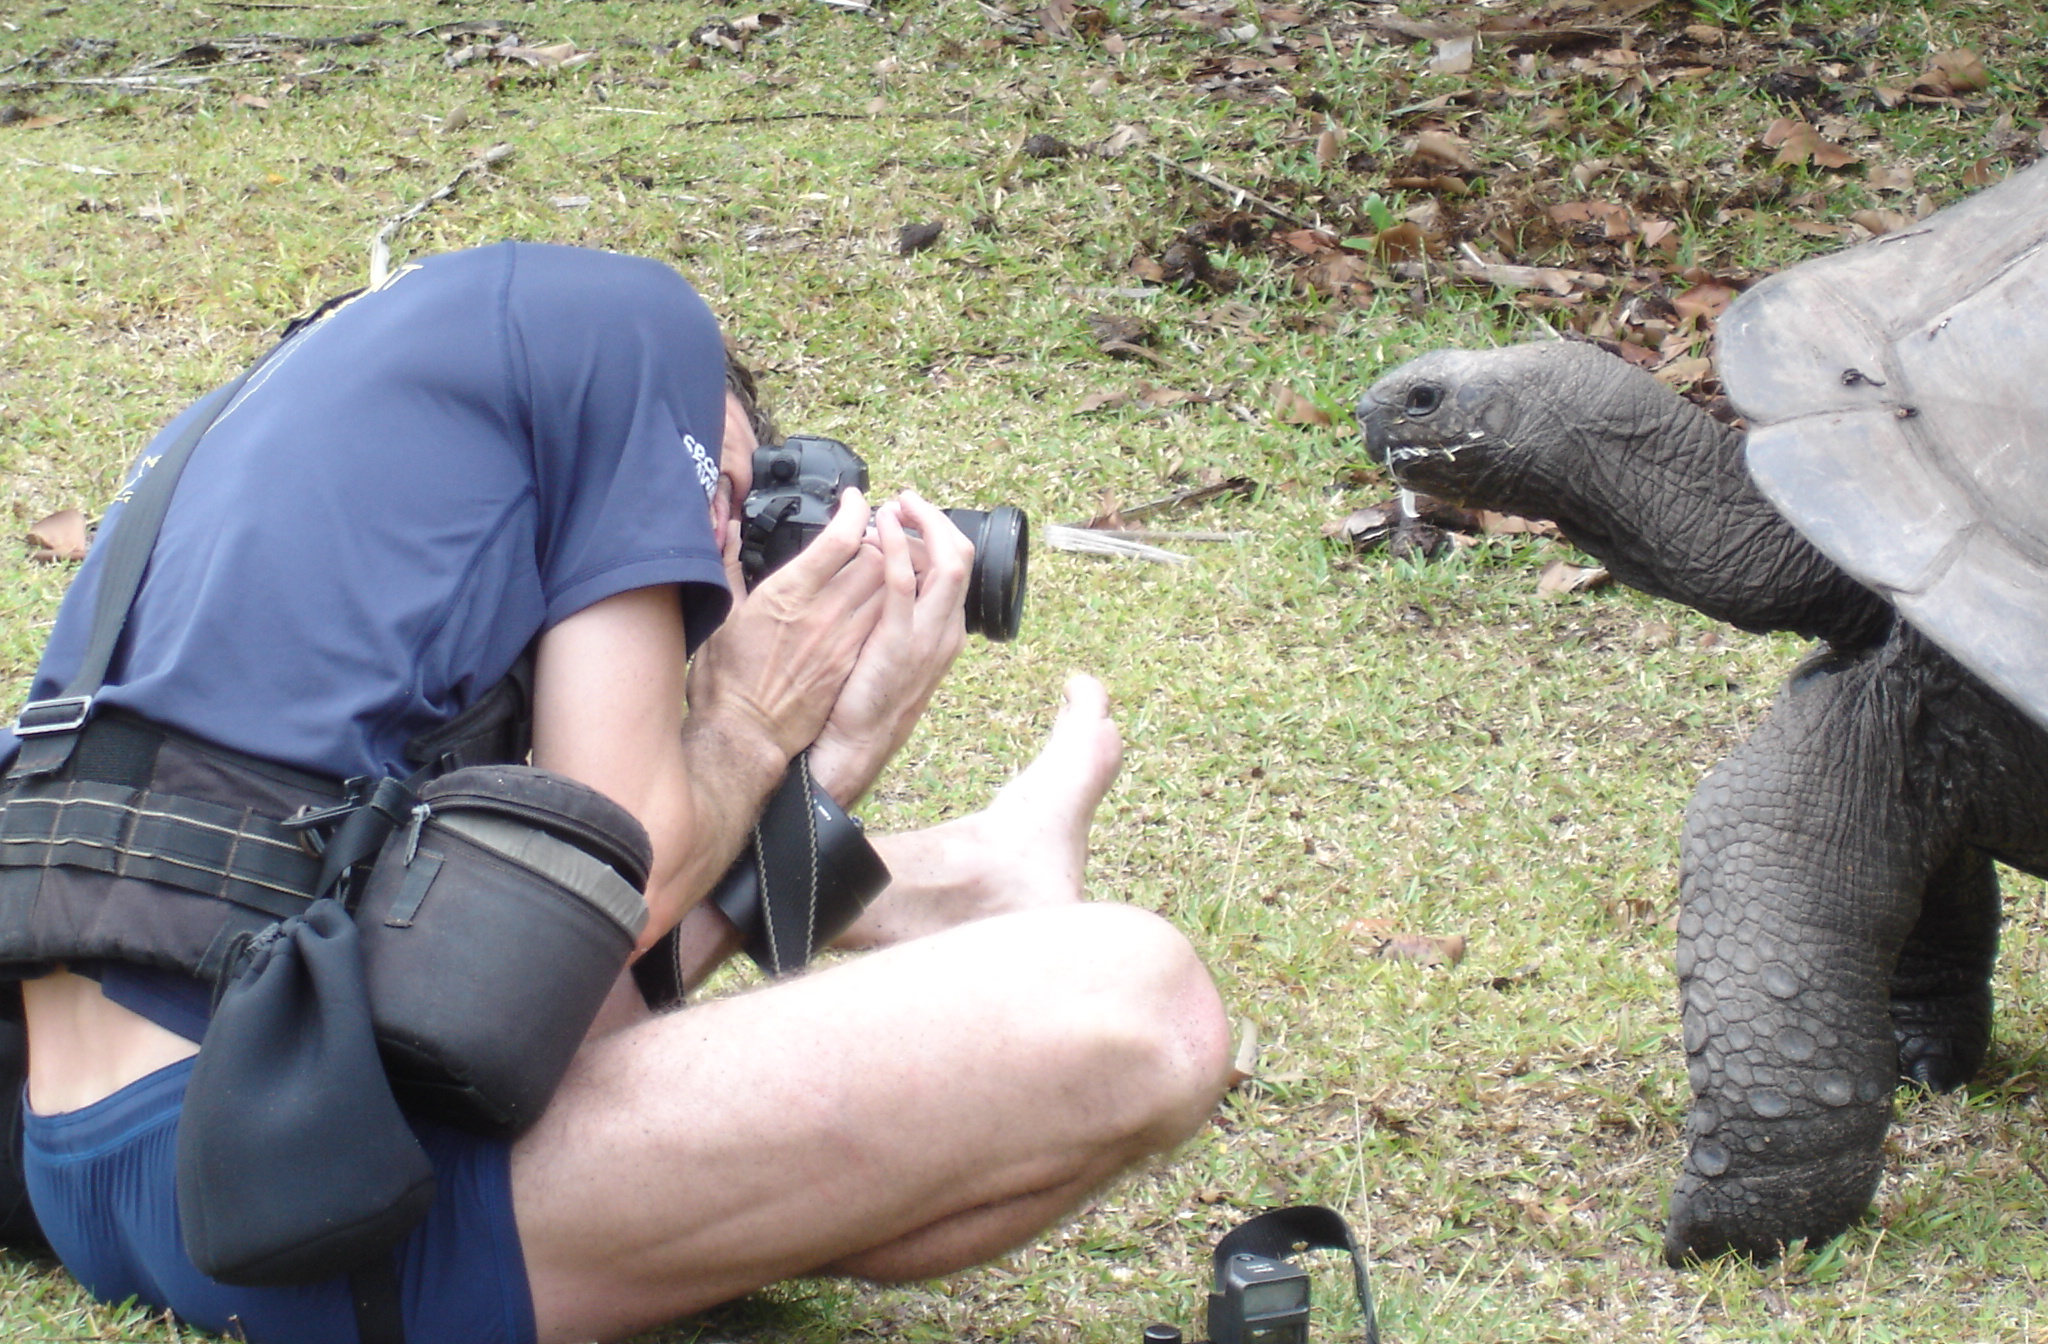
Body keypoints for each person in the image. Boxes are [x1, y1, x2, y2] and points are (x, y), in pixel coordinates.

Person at [2, 242, 1232, 1344]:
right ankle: (956, 886)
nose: (714, 567)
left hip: (125, 1175)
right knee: (1138, 1002)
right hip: (288, 1197)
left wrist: (823, 753)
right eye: (731, 509)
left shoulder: (310, 449)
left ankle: (960, 879)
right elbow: (619, 890)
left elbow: (534, 1023)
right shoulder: (638, 328)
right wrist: (760, 717)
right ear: (698, 448)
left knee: (927, 1149)